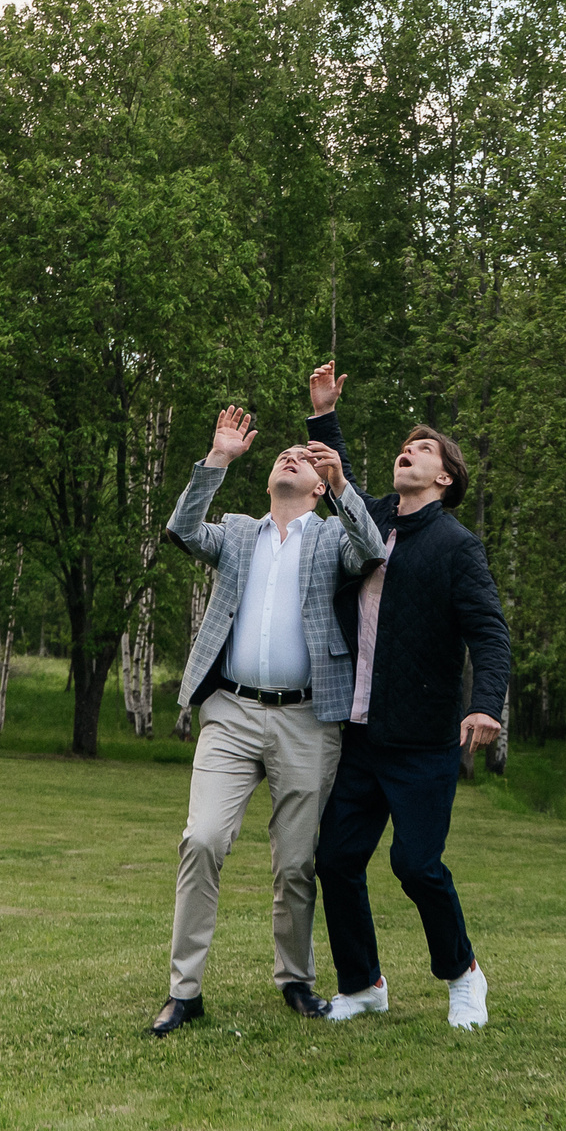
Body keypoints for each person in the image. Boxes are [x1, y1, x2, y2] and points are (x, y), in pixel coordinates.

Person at [147, 405, 385, 1037]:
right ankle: (184, 991)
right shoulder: (236, 531)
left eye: (304, 458)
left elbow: (371, 549)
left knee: (297, 861)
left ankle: (296, 980)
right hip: (230, 712)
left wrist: (342, 484)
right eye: (285, 454)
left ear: (317, 486)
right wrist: (217, 460)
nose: (290, 456)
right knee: (203, 840)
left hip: (307, 719)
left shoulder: (330, 537)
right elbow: (180, 528)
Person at [302, 363, 510, 1030]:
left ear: (445, 478)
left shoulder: (457, 546)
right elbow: (341, 483)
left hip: (422, 740)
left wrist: (486, 703)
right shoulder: (374, 520)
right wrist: (324, 415)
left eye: (422, 448)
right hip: (362, 733)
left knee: (417, 866)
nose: (408, 451)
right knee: (336, 860)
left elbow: (490, 631)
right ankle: (362, 984)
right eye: (405, 445)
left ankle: (464, 974)